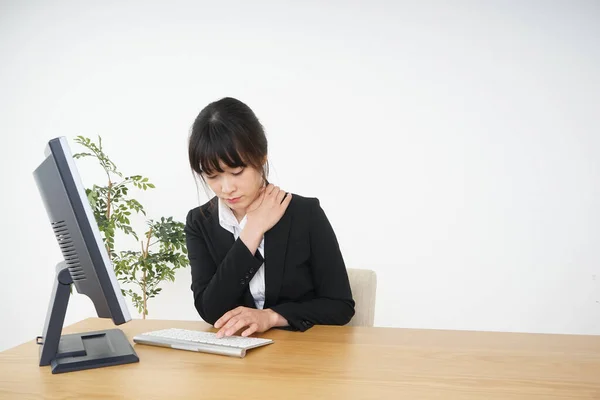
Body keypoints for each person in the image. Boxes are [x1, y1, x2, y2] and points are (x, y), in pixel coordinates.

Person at [185, 97, 355, 338]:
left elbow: (340, 306)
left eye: (236, 172)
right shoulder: (199, 222)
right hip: (234, 360)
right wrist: (252, 231)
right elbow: (211, 310)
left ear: (261, 157)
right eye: (212, 176)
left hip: (302, 354)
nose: (226, 188)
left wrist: (272, 316)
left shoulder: (306, 214)